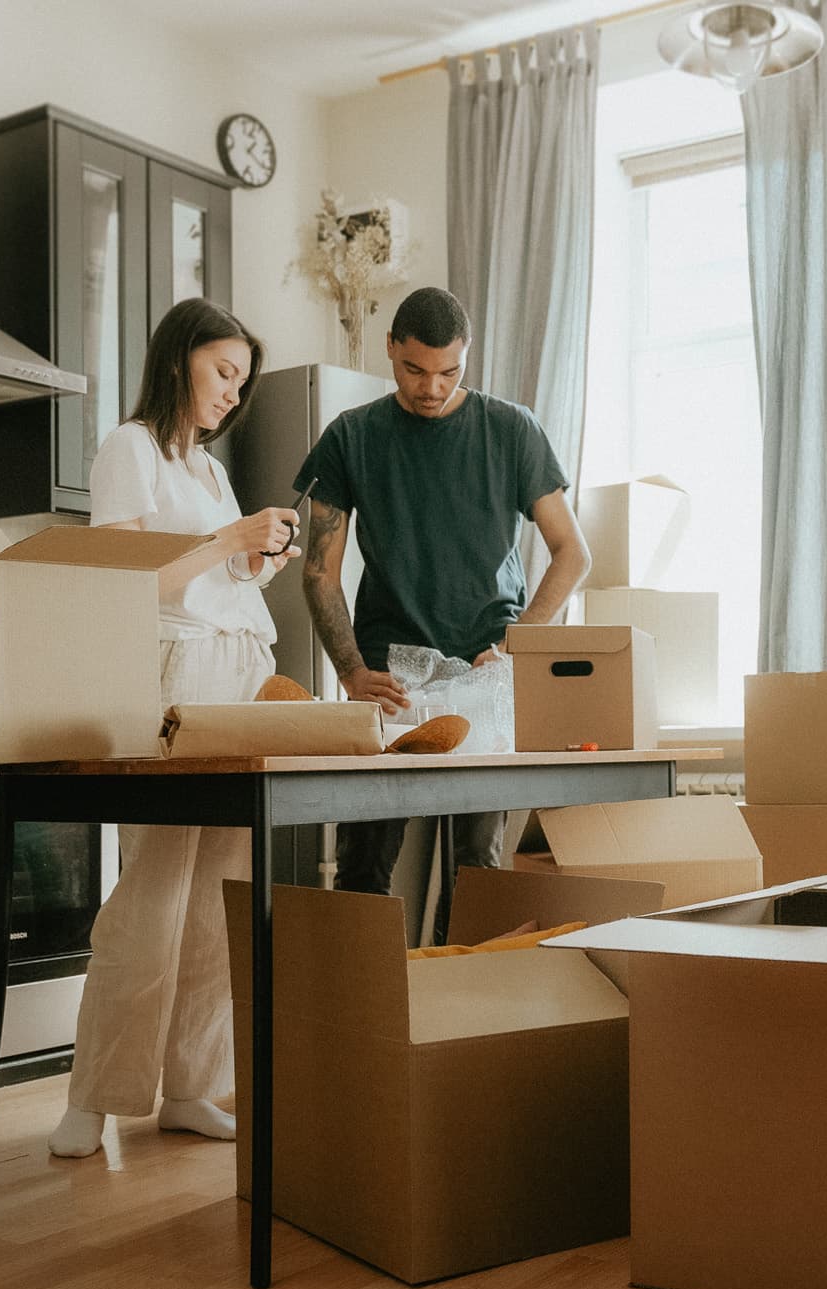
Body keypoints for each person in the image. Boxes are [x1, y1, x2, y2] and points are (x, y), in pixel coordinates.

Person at [49, 298, 300, 1159]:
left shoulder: (211, 471)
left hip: (241, 672)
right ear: (181, 356)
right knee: (152, 892)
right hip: (176, 677)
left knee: (219, 892)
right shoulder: (131, 447)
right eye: (224, 372)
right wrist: (231, 538)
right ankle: (93, 1096)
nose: (234, 394)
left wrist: (254, 561)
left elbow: (214, 578)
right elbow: (123, 581)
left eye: (242, 383)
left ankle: (191, 1084)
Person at [296, 286, 591, 897]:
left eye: (449, 371)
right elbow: (319, 571)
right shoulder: (351, 436)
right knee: (363, 867)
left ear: (467, 357)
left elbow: (573, 552)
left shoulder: (512, 429)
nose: (431, 387)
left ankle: (467, 993)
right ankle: (359, 993)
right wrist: (349, 670)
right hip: (387, 679)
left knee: (477, 866)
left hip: (484, 671)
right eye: (414, 370)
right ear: (390, 349)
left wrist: (520, 644)